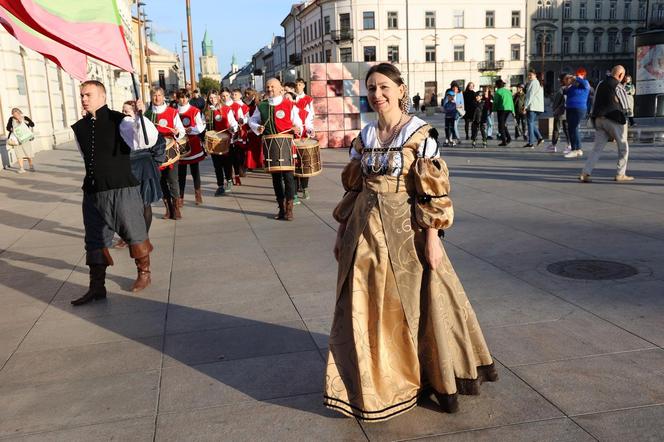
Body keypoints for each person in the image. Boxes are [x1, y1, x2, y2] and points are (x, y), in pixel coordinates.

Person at [326, 63, 496, 421]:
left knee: (418, 303)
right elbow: (353, 189)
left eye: (385, 87)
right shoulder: (365, 137)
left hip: (407, 233)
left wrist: (433, 238)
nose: (378, 95)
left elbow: (432, 192)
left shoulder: (420, 134)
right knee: (365, 302)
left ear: (402, 90)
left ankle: (420, 373)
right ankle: (375, 373)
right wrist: (342, 232)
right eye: (372, 88)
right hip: (363, 232)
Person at [70, 80, 159, 306]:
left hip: (121, 188)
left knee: (134, 231)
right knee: (94, 240)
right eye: (82, 95)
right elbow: (86, 157)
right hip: (92, 192)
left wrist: (140, 117)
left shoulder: (121, 121)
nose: (84, 99)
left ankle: (144, 274)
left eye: (88, 94)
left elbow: (143, 140)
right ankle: (97, 287)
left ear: (102, 96)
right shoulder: (79, 127)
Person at [248, 78, 303, 221]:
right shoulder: (262, 106)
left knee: (289, 177)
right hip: (270, 146)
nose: (270, 89)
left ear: (280, 89)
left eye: (273, 87)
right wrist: (257, 127)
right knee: (276, 179)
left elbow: (298, 123)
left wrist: (298, 128)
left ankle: (289, 208)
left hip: (286, 145)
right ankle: (281, 208)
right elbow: (252, 121)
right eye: (268, 87)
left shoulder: (289, 105)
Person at [114, 101, 164, 249]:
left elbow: (156, 143)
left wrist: (154, 162)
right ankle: (127, 236)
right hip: (126, 167)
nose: (124, 114)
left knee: (144, 204)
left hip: (144, 167)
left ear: (135, 112)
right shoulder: (120, 126)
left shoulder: (143, 123)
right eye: (122, 111)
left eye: (127, 111)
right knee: (126, 206)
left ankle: (144, 238)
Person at [579, 65, 634, 183]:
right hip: (613, 119)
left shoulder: (600, 83)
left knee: (597, 148)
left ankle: (585, 172)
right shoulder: (618, 85)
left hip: (598, 119)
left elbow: (594, 101)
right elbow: (625, 106)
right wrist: (627, 116)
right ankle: (620, 174)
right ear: (620, 75)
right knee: (623, 147)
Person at [146, 87, 185, 220]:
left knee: (173, 180)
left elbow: (181, 130)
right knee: (160, 181)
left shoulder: (172, 112)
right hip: (155, 152)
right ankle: (168, 209)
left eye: (159, 95)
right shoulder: (148, 114)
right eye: (154, 95)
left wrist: (177, 132)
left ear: (163, 97)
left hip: (170, 151)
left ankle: (176, 208)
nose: (157, 98)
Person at [176, 88, 206, 205]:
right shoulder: (174, 111)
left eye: (185, 97)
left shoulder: (194, 110)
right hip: (180, 144)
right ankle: (181, 197)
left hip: (193, 143)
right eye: (180, 97)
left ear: (188, 98)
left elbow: (201, 126)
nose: (183, 100)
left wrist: (191, 129)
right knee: (181, 173)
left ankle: (198, 194)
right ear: (177, 98)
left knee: (195, 171)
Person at [206, 90, 238, 196]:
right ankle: (220, 186)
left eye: (214, 97)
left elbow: (234, 124)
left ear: (219, 97)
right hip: (213, 141)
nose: (212, 100)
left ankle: (229, 180)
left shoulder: (226, 109)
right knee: (217, 165)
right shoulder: (206, 111)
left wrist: (232, 128)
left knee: (227, 163)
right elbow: (202, 126)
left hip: (225, 140)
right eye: (210, 98)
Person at [294, 78, 315, 200]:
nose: (298, 86)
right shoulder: (292, 99)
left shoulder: (308, 99)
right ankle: (295, 188)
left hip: (304, 134)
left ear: (303, 85)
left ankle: (305, 187)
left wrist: (310, 129)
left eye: (300, 84)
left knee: (305, 161)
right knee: (294, 162)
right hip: (293, 135)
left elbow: (311, 116)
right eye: (296, 84)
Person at [563, 68, 590, 158]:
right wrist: (568, 83)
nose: (577, 77)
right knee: (571, 128)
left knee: (574, 127)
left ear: (583, 76)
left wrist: (575, 77)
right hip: (570, 108)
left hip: (579, 109)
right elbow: (565, 91)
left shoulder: (585, 84)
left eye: (580, 75)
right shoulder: (573, 87)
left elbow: (583, 82)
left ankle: (577, 149)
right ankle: (575, 148)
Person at [546, 74, 572, 153]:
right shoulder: (570, 89)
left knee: (556, 129)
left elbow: (557, 101)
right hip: (567, 112)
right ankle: (569, 144)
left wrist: (554, 109)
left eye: (559, 80)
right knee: (566, 129)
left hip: (559, 112)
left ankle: (553, 145)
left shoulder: (561, 89)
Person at [5, 108, 36, 173]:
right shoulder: (11, 119)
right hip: (16, 140)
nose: (15, 115)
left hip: (25, 139)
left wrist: (23, 121)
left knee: (28, 153)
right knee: (19, 154)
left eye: (16, 114)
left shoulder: (25, 118)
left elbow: (32, 124)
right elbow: (8, 127)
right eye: (13, 114)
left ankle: (31, 166)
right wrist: (12, 129)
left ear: (19, 113)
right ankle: (21, 168)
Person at [230, 88, 249, 184]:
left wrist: (243, 120)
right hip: (232, 130)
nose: (233, 96)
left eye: (236, 94)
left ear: (240, 95)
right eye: (232, 94)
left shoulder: (244, 106)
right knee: (235, 151)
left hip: (242, 130)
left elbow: (248, 118)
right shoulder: (230, 105)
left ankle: (242, 167)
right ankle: (237, 169)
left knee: (242, 151)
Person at [243, 88, 263, 170]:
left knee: (257, 147)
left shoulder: (258, 104)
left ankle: (258, 163)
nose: (247, 96)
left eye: (249, 94)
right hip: (249, 127)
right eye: (246, 94)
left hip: (256, 128)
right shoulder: (246, 104)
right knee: (251, 146)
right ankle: (251, 164)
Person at [524, 70, 544, 148]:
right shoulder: (535, 82)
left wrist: (525, 106)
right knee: (531, 123)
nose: (529, 76)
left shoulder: (534, 83)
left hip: (533, 106)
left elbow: (530, 96)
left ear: (535, 75)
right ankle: (539, 138)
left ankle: (531, 142)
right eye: (528, 75)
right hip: (535, 106)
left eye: (531, 75)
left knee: (530, 124)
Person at [492, 79, 514, 146]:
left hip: (502, 109)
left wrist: (493, 110)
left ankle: (504, 141)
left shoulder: (498, 92)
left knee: (501, 125)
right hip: (509, 109)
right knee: (503, 124)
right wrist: (513, 111)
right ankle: (508, 138)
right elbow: (511, 101)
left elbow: (495, 102)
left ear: (497, 85)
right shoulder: (508, 91)